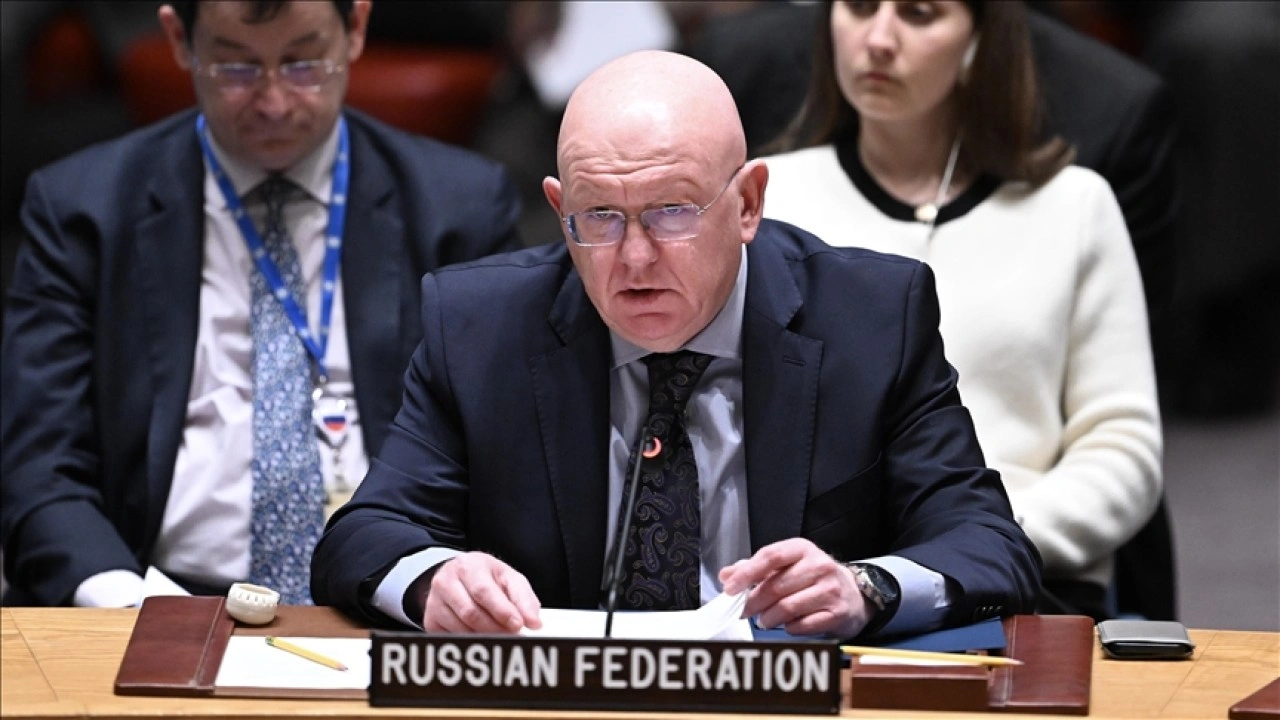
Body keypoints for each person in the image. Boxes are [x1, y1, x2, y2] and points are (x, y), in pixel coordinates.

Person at [312, 49, 1040, 638]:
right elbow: (364, 535)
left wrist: (864, 588)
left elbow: (989, 544)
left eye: (672, 211)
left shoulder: (870, 320)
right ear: (560, 210)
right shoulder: (480, 326)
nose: (634, 258)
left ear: (748, 203)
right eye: (600, 216)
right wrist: (434, 580)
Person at [0, 0, 521, 607]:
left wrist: (427, 585)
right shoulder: (83, 209)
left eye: (303, 64)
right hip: (149, 593)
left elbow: (503, 457)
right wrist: (124, 607)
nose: (274, 102)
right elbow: (39, 464)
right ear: (179, 39)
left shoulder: (459, 209)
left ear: (355, 29)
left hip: (387, 597)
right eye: (237, 68)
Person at [761, 0, 1161, 620]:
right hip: (811, 589)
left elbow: (1123, 447)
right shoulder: (767, 197)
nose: (879, 38)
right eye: (859, 7)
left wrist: (975, 545)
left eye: (919, 14)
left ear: (980, 40)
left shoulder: (1074, 206)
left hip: (1026, 583)